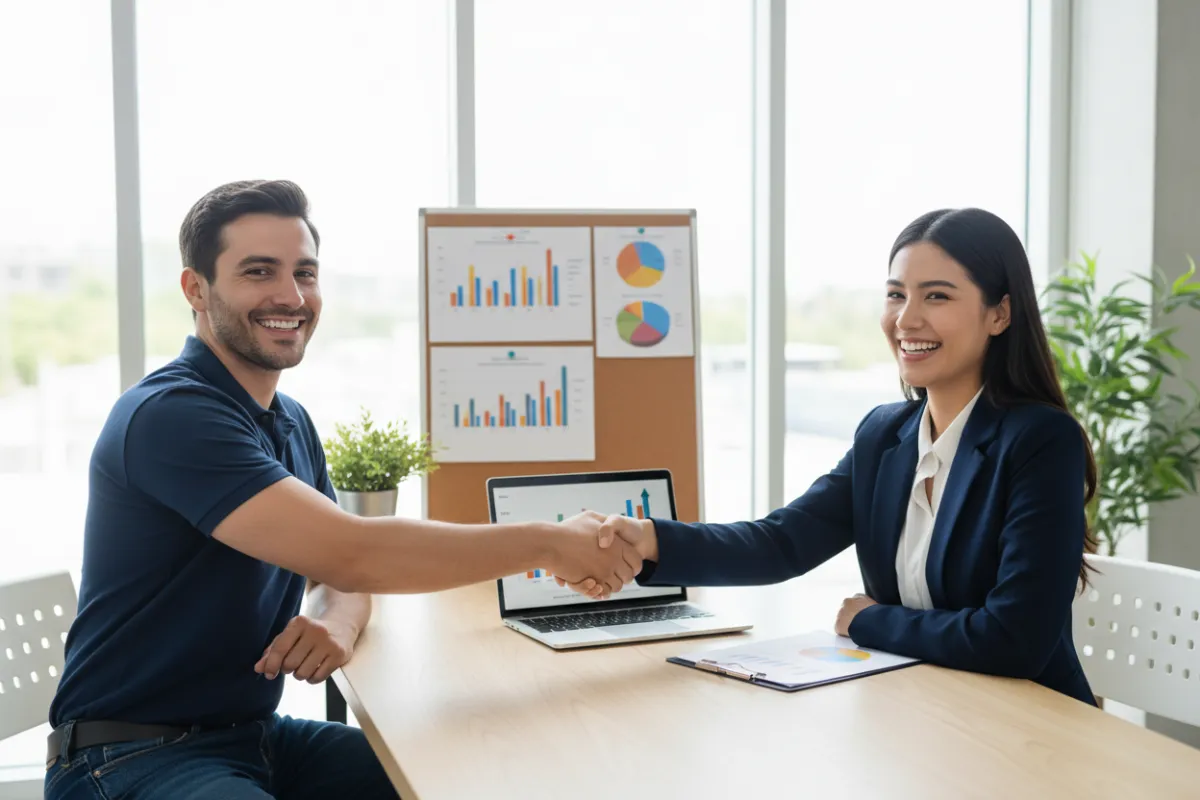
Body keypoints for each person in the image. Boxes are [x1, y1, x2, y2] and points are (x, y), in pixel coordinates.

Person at [44, 179, 642, 800]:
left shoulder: (289, 422)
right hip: (128, 755)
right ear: (196, 289)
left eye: (305, 272)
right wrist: (548, 544)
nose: (291, 295)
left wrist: (336, 625)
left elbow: (343, 580)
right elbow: (354, 552)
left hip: (251, 738)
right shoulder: (172, 415)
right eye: (258, 271)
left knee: (466, 776)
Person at [562, 207, 1099, 706]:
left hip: (1030, 721)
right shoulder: (885, 434)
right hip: (925, 707)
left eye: (936, 296)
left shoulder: (1040, 441)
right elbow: (781, 543)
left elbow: (1014, 640)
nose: (906, 319)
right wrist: (650, 539)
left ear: (999, 314)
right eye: (895, 295)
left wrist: (868, 621)